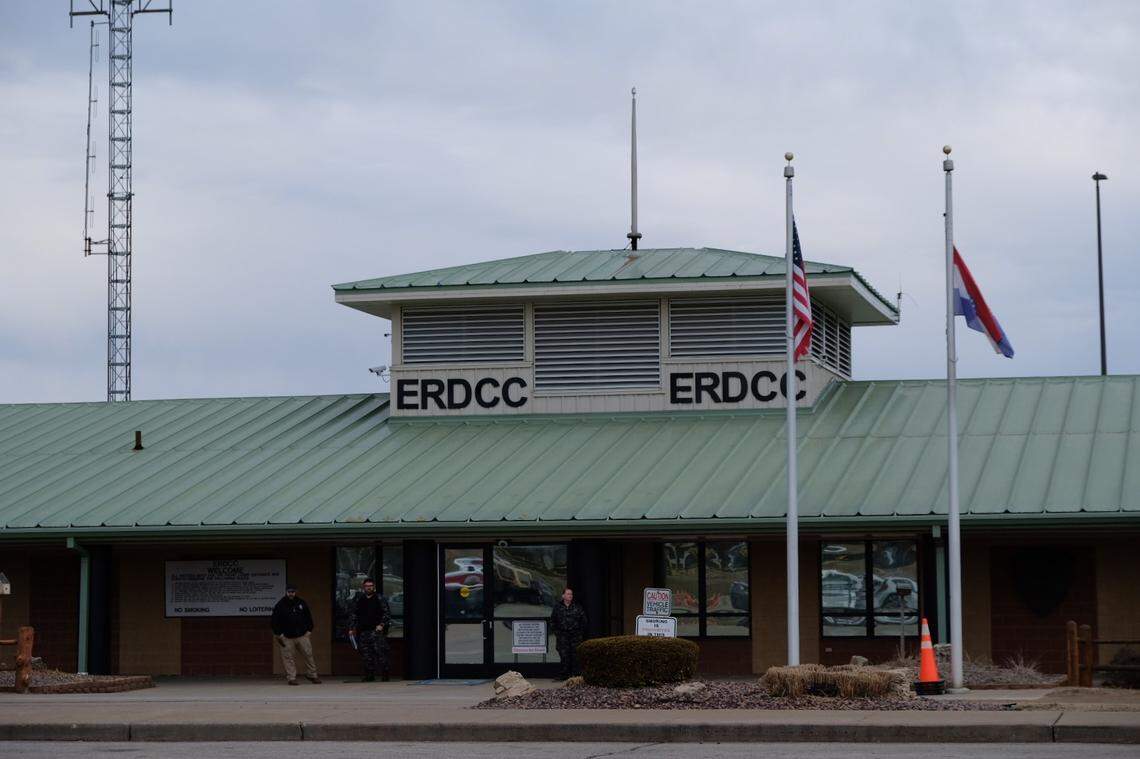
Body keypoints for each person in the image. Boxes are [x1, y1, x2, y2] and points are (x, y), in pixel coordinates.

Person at [270, 583, 320, 686]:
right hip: (287, 637)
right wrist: (279, 634)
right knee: (288, 658)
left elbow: (308, 617)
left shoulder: (301, 603)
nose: (291, 594)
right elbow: (274, 621)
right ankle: (291, 678)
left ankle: (312, 675)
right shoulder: (280, 605)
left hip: (302, 635)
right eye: (289, 592)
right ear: (286, 592)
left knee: (308, 655)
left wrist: (309, 630)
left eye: (292, 592)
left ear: (295, 592)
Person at [348, 577, 391, 682]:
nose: (369, 588)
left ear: (374, 587)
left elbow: (387, 613)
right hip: (363, 631)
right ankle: (369, 675)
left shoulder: (380, 599)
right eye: (367, 586)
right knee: (366, 654)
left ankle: (385, 675)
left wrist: (381, 624)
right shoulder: (359, 599)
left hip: (376, 631)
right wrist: (351, 628)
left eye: (371, 586)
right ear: (364, 587)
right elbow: (353, 614)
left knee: (380, 653)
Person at [550, 587, 588, 681]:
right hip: (563, 637)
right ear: (563, 596)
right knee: (564, 656)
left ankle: (576, 676)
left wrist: (579, 633)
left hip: (575, 637)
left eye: (571, 594)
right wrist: (557, 633)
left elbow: (584, 621)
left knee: (575, 656)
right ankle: (564, 675)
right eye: (568, 594)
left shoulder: (577, 607)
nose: (570, 596)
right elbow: (552, 621)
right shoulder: (557, 607)